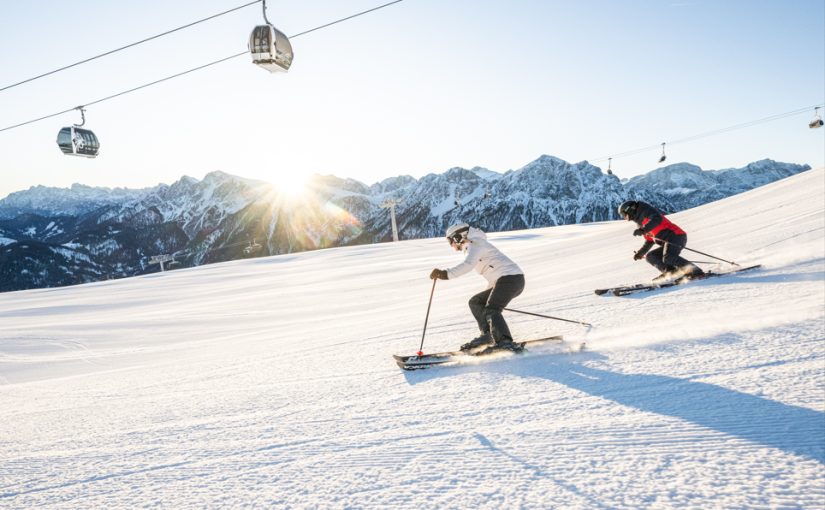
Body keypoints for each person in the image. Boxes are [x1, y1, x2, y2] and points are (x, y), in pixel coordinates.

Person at [429, 223, 525, 354]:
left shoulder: (476, 244)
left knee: (492, 309)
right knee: (476, 302)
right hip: (506, 280)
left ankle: (505, 342)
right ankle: (489, 335)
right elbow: (494, 273)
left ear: (457, 237)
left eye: (450, 241)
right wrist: (491, 292)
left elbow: (468, 265)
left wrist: (445, 274)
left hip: (511, 279)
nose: (451, 245)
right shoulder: (475, 245)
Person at [618, 200, 704, 282]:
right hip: (667, 241)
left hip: (676, 235)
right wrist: (640, 253)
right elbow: (649, 240)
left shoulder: (645, 211)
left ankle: (695, 271)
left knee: (668, 257)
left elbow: (657, 218)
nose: (624, 218)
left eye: (623, 215)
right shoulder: (639, 223)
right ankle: (670, 272)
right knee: (650, 256)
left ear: (629, 210)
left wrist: (643, 229)